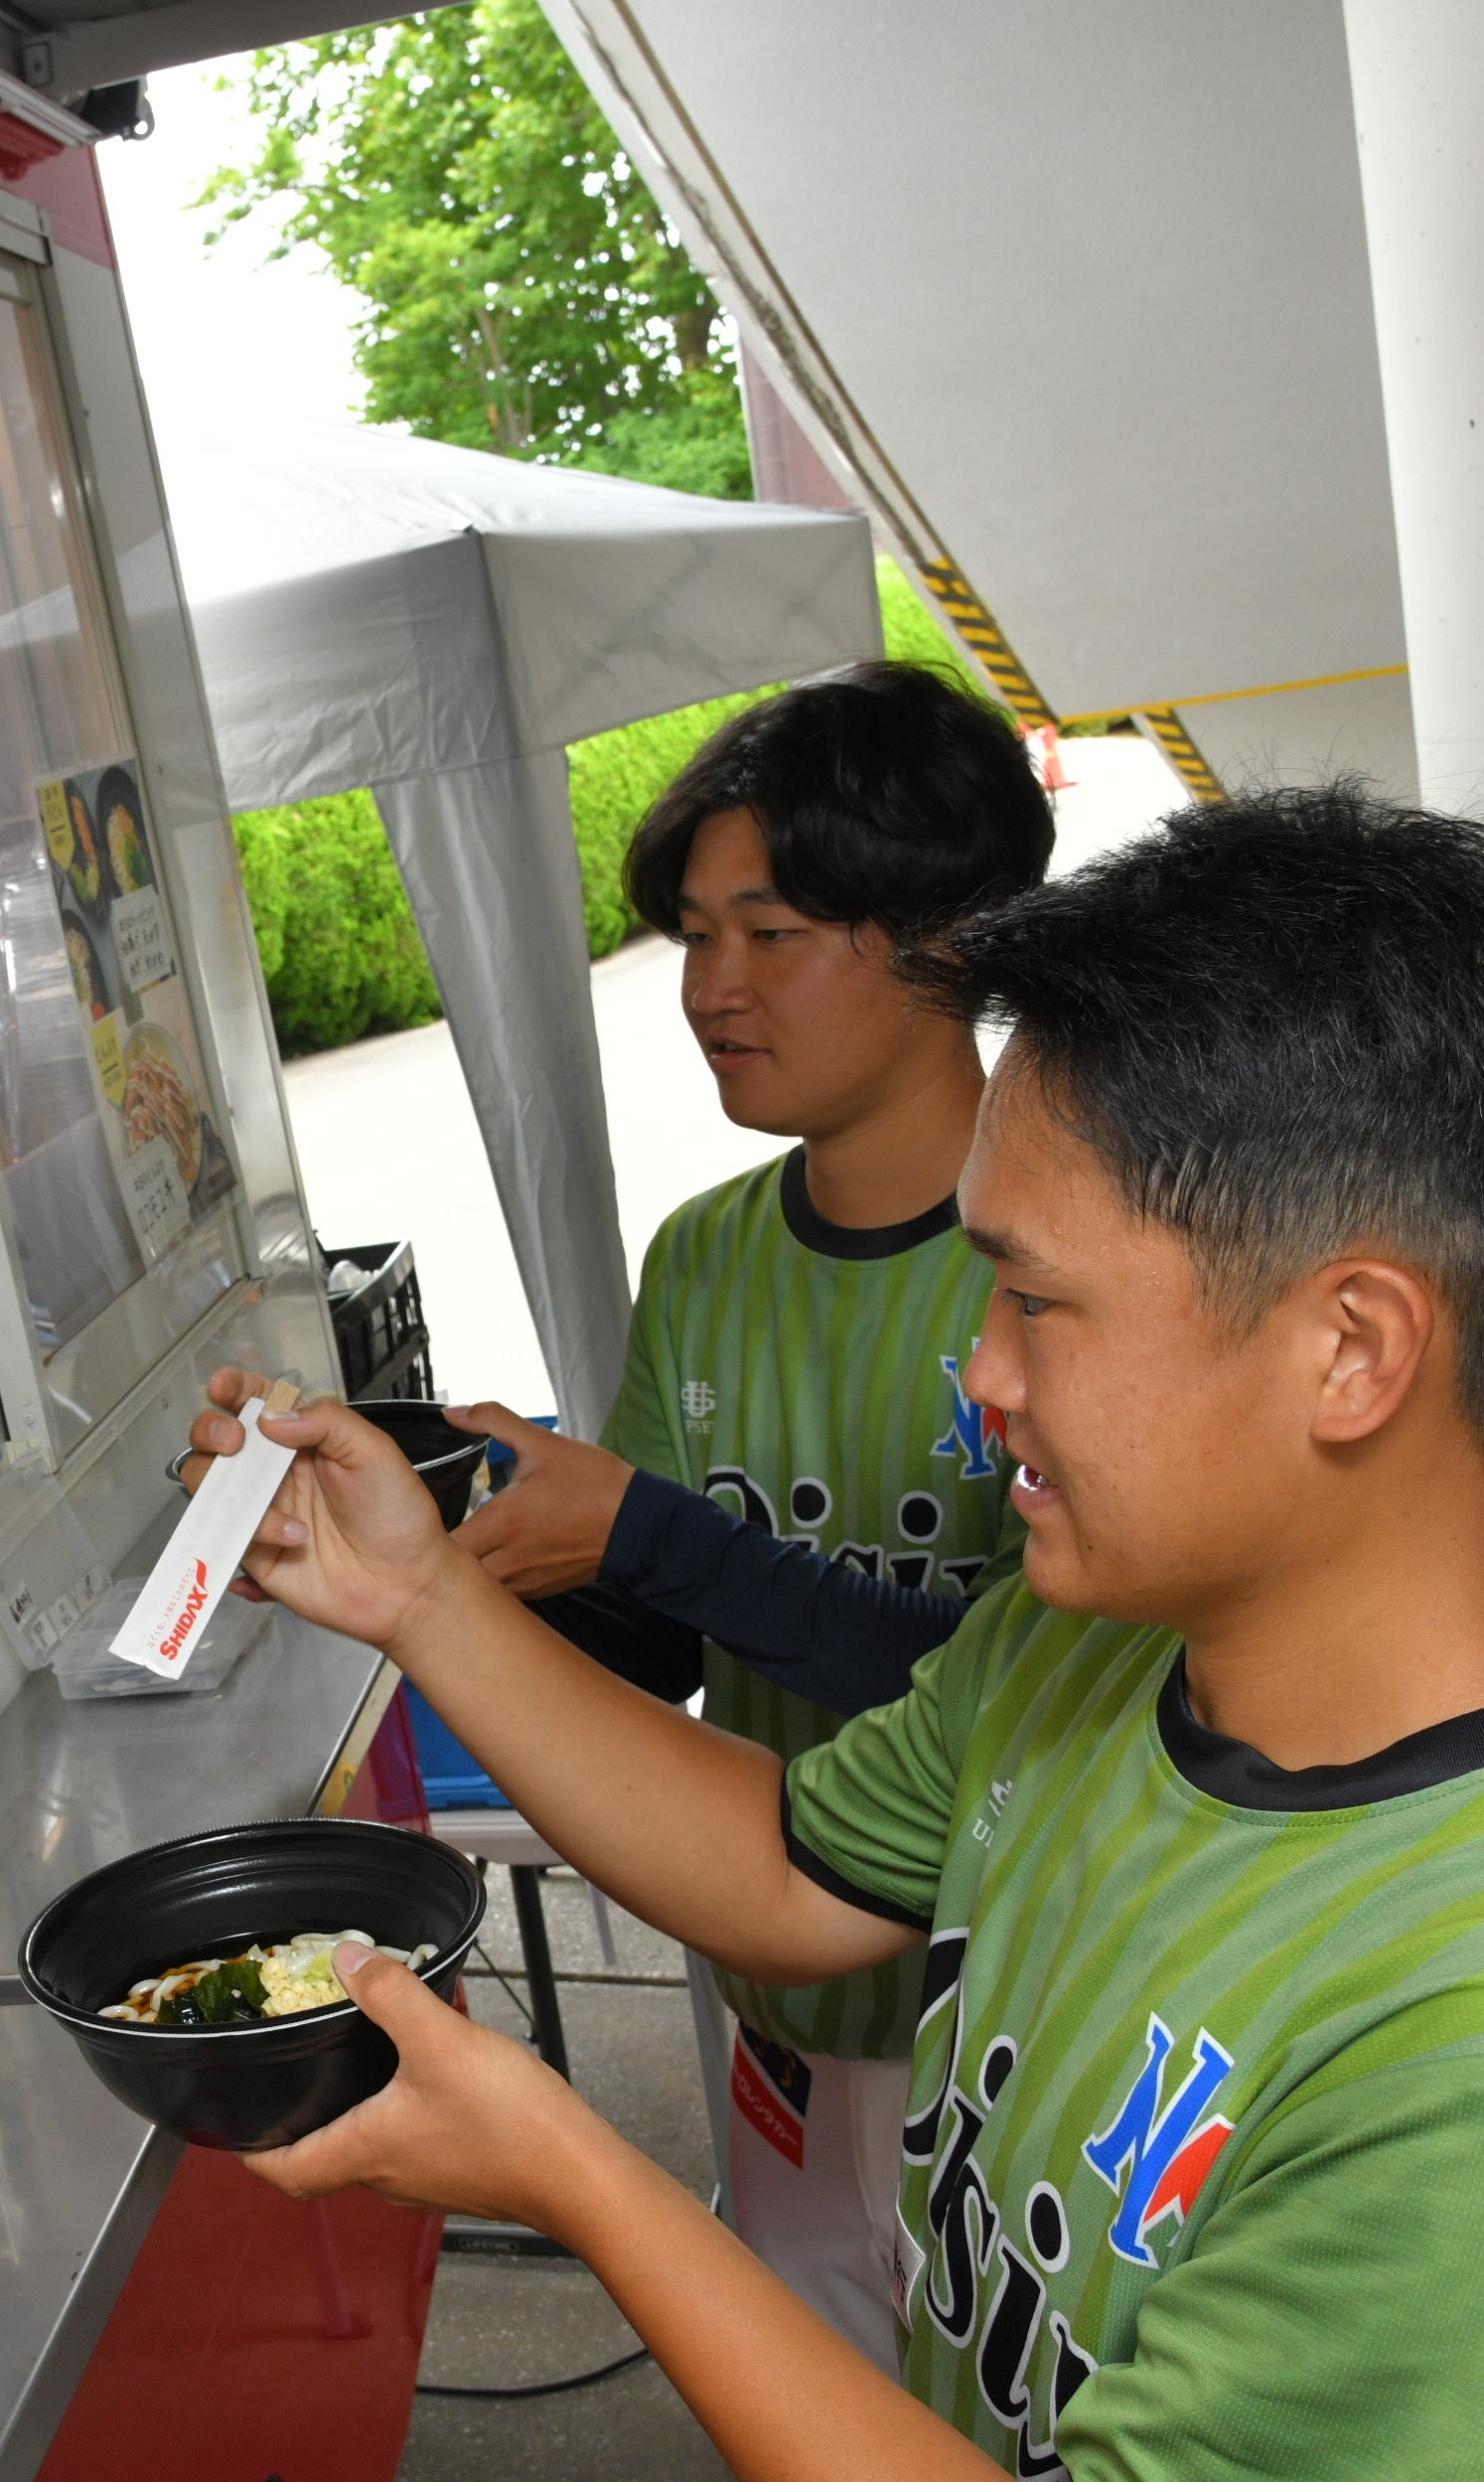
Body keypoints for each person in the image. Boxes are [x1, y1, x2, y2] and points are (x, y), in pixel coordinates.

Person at [196, 792, 1484, 2482]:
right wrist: (425, 1597)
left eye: (1032, 1297)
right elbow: (787, 1862)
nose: (979, 1373)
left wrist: (576, 2171)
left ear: (1351, 1347)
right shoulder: (1098, 1643)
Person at [436, 663, 1050, 2365]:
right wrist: (447, 1551)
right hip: (772, 2000)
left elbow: (1032, 1690)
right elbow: (658, 1634)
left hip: (1003, 2017)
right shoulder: (708, 1253)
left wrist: (653, 1536)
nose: (709, 986)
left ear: (946, 933)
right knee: (812, 2404)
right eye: (694, 935)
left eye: (769, 933)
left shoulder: (1071, 1256)